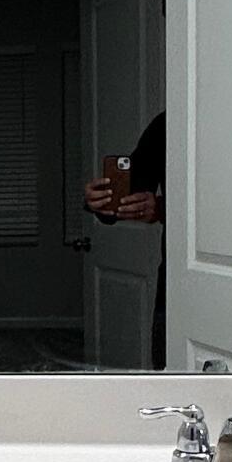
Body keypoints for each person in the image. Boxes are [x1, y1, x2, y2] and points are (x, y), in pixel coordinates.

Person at [84, 110, 166, 369]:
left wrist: (162, 208)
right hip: (173, 280)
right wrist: (100, 202)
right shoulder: (168, 124)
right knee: (168, 371)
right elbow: (131, 191)